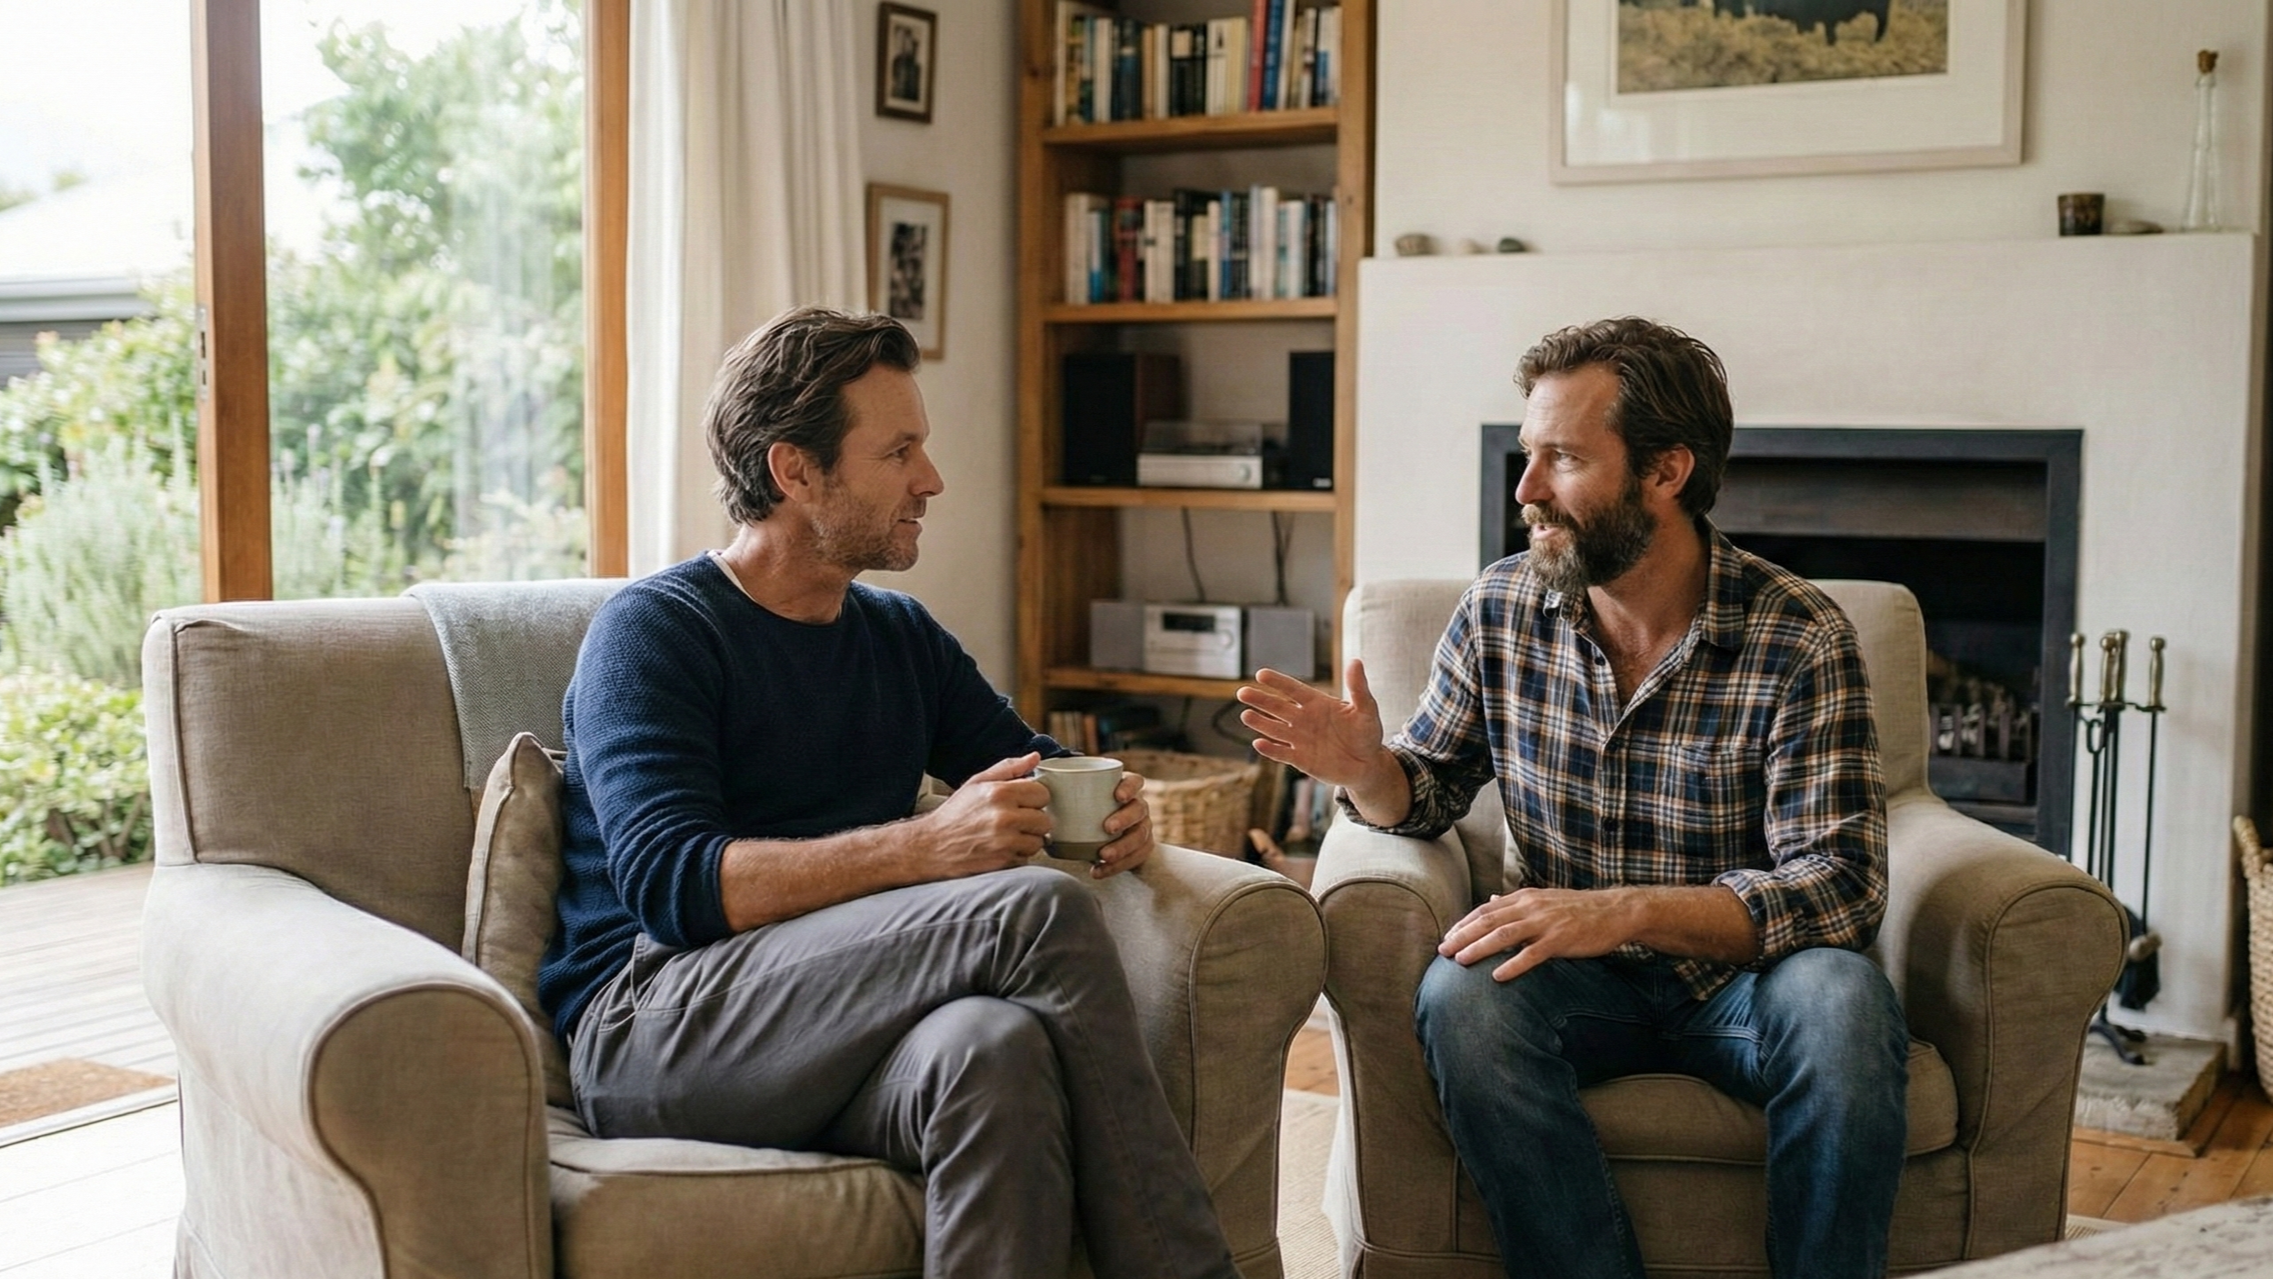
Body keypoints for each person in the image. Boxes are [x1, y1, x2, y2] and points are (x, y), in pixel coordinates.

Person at [539, 305, 1241, 1279]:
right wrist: (926, 846)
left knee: (994, 1049)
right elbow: (673, 884)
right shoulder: (656, 632)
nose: (931, 479)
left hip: (829, 1022)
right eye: (898, 451)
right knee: (1035, 911)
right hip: (653, 1026)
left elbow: (1033, 767)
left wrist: (1114, 805)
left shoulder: (898, 637)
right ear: (794, 471)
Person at [1236, 317, 1907, 1279]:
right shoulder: (1500, 608)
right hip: (1568, 986)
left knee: (1843, 998)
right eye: (1526, 454)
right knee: (1462, 995)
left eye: (1562, 458)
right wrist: (1367, 771)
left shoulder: (1799, 636)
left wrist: (1621, 911)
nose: (1525, 491)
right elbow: (1428, 790)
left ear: (1665, 471)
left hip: (1744, 985)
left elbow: (1839, 887)